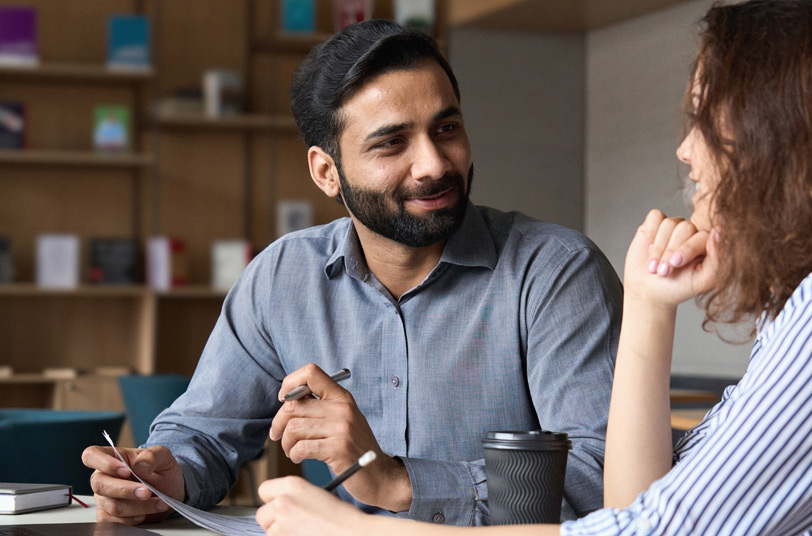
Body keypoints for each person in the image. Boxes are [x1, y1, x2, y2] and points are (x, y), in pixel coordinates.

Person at [252, 0, 812, 534]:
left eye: (702, 122)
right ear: (327, 171)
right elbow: (640, 508)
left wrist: (367, 528)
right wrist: (651, 309)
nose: (685, 153)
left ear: (782, 141)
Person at [81, 20, 622, 527]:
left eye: (447, 127)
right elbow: (203, 430)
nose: (434, 163)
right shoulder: (283, 277)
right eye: (392, 143)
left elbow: (609, 480)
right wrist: (163, 474)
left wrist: (398, 482)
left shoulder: (556, 272)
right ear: (326, 172)